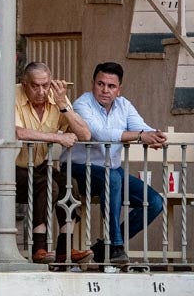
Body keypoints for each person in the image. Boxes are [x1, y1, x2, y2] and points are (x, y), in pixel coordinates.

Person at [64, 62, 167, 266]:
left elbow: (141, 127)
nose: (104, 90)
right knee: (113, 177)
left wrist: (156, 135)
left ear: (119, 89)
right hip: (77, 170)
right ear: (92, 83)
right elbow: (99, 134)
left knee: (155, 202)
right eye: (100, 84)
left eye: (111, 86)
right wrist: (140, 136)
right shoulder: (82, 104)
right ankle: (116, 246)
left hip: (111, 171)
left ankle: (105, 247)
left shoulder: (124, 105)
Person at [14, 62, 93, 264]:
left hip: (38, 165)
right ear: (24, 84)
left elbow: (84, 134)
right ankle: (39, 248)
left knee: (70, 184)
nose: (41, 91)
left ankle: (64, 249)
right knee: (46, 184)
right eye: (35, 86)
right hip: (8, 167)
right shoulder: (13, 94)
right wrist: (56, 138)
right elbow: (17, 132)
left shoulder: (56, 97)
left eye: (45, 85)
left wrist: (64, 105)